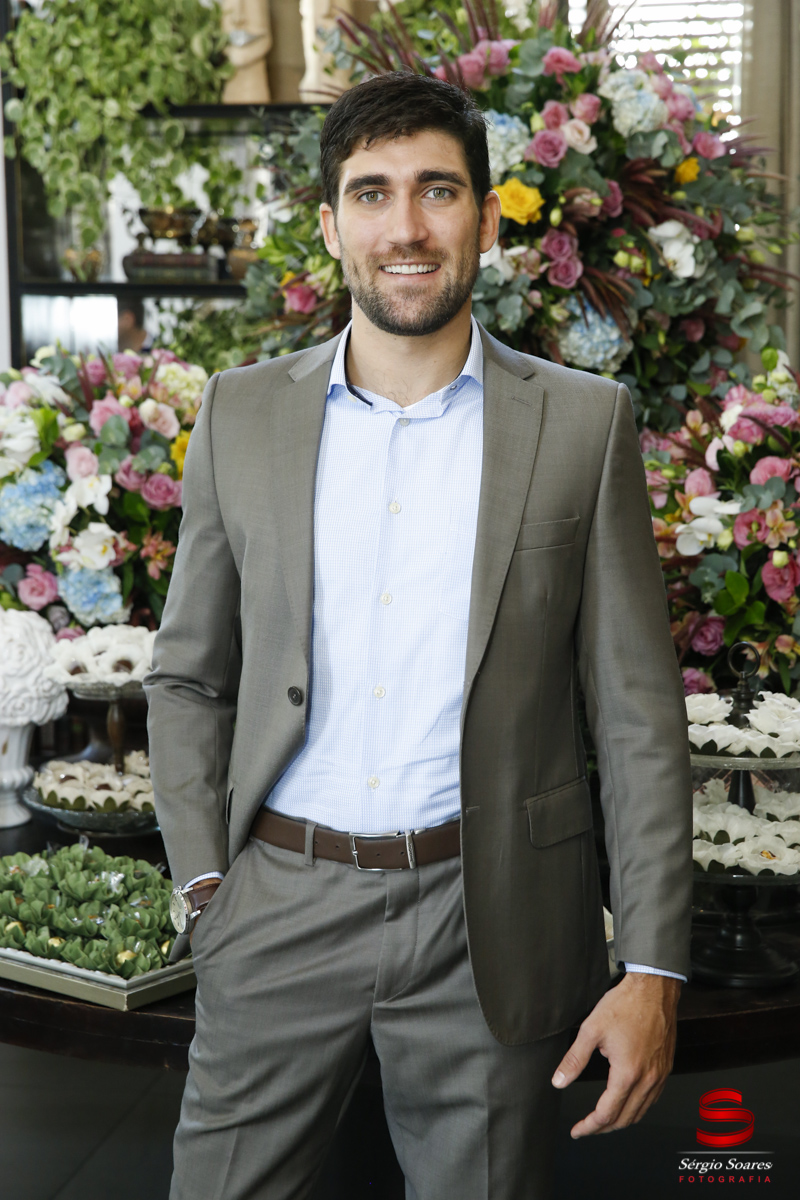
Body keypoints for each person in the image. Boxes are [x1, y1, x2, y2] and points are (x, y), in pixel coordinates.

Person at [143, 71, 692, 1200]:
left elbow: (635, 717)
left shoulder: (582, 424)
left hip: (484, 919)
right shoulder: (238, 414)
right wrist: (205, 887)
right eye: (372, 193)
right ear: (331, 224)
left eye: (437, 191)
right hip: (273, 904)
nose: (405, 226)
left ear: (487, 222)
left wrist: (649, 967)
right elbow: (190, 678)